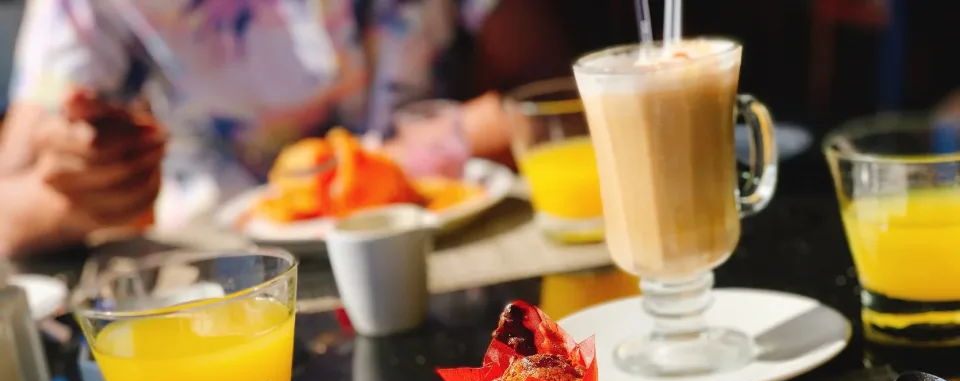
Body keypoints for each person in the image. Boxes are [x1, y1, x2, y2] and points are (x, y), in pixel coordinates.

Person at [0, 0, 572, 256]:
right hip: (224, 286)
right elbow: (9, 207)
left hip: (446, 250)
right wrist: (83, 186)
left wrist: (379, 169)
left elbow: (558, 98)